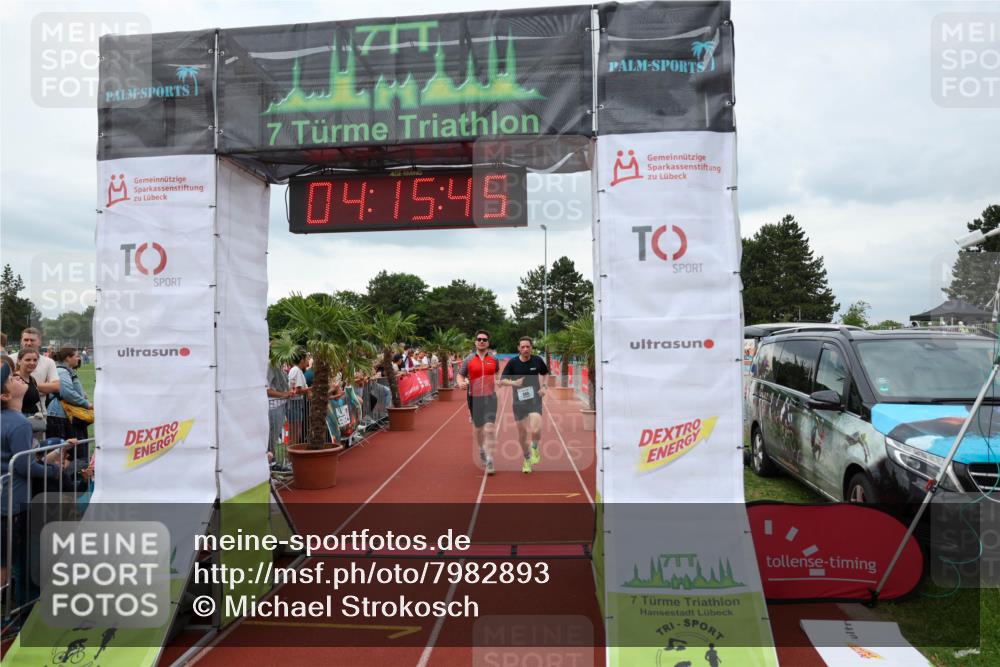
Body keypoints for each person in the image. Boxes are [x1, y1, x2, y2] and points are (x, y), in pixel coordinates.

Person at [1, 360, 70, 616]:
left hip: (7, 498)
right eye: (11, 379)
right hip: (11, 502)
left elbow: (22, 459)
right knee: (8, 561)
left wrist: (46, 458)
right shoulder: (19, 423)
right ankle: (13, 611)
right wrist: (53, 469)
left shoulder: (14, 420)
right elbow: (23, 467)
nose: (17, 378)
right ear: (5, 395)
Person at [500, 336, 549, 473]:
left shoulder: (537, 360)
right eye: (523, 347)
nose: (525, 349)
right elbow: (501, 381)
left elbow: (545, 374)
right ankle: (527, 459)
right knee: (522, 434)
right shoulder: (513, 363)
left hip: (535, 400)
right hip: (519, 402)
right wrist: (514, 383)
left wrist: (544, 386)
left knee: (536, 428)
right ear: (519, 348)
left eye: (528, 346)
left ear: (531, 347)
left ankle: (534, 447)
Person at [457, 330, 500, 475]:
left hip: (490, 397)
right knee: (479, 429)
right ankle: (481, 449)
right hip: (474, 398)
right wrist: (461, 383)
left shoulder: (494, 359)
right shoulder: (468, 359)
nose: (481, 341)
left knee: (489, 428)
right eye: (479, 339)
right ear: (475, 342)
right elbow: (460, 375)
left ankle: (489, 459)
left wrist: (498, 381)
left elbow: (497, 373)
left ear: (488, 343)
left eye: (484, 339)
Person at [46, 347, 92, 462]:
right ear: (68, 358)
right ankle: (68, 477)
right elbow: (66, 392)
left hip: (66, 415)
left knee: (72, 453)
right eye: (76, 356)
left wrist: (81, 394)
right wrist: (86, 404)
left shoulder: (65, 370)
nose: (79, 358)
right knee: (67, 454)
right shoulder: (61, 371)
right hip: (61, 416)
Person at [12, 328, 59, 400]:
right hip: (13, 407)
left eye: (32, 340)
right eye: (26, 340)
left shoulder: (48, 362)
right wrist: (44, 386)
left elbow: (56, 386)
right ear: (21, 341)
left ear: (39, 342)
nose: (29, 343)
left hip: (39, 409)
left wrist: (28, 386)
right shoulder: (10, 359)